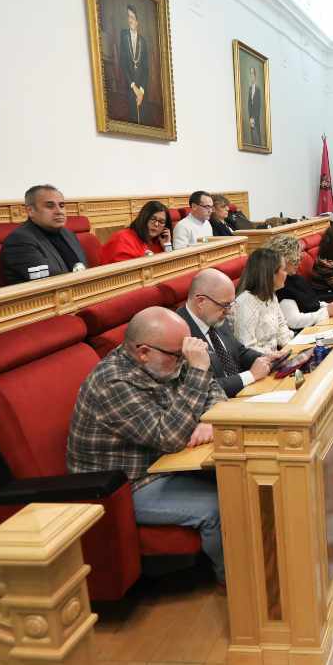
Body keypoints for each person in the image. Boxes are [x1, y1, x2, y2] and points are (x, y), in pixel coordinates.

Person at [66, 306, 226, 583]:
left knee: (240, 481)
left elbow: (213, 389)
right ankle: (240, 588)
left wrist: (208, 420)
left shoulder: (164, 355)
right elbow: (170, 437)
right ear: (143, 351)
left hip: (164, 464)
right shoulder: (112, 382)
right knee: (221, 506)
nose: (183, 362)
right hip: (127, 484)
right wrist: (198, 371)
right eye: (178, 357)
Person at [176, 269, 273, 398]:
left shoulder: (215, 317)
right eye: (225, 305)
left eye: (231, 304)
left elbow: (238, 351)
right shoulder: (178, 333)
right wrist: (251, 375)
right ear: (200, 301)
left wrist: (266, 358)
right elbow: (203, 387)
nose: (229, 312)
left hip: (246, 393)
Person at [1, 184, 88, 284]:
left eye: (62, 205)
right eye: (50, 206)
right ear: (31, 211)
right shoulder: (19, 241)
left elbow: (82, 269)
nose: (59, 211)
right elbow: (49, 283)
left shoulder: (68, 234)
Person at [267, 234, 333, 330]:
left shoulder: (296, 278)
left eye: (299, 258)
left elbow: (313, 303)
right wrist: (326, 311)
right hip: (307, 331)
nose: (299, 262)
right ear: (282, 260)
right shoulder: (281, 286)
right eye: (295, 260)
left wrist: (330, 306)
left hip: (320, 323)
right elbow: (294, 321)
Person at [232, 248, 295, 357]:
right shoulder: (245, 302)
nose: (286, 274)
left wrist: (293, 348)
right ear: (271, 273)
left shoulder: (271, 294)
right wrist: (275, 355)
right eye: (284, 269)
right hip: (257, 364)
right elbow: (247, 348)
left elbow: (282, 326)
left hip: (276, 358)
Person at [101, 200, 171, 263]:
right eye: (153, 219)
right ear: (144, 217)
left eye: (161, 222)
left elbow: (170, 268)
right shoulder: (123, 238)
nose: (156, 224)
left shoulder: (158, 241)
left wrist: (167, 245)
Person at [119, 4, 149, 125]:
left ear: (137, 22)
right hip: (129, 86)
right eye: (128, 17)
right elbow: (123, 63)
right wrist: (134, 88)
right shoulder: (124, 35)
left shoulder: (143, 41)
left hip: (141, 90)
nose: (129, 20)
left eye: (132, 17)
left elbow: (146, 69)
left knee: (143, 120)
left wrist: (141, 90)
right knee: (131, 120)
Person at [245, 66, 263, 146]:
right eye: (250, 74)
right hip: (251, 116)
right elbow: (249, 103)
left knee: (257, 135)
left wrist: (254, 118)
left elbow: (258, 106)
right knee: (252, 135)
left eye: (253, 73)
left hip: (256, 117)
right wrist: (250, 117)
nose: (251, 75)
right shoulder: (249, 89)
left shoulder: (258, 90)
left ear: (255, 76)